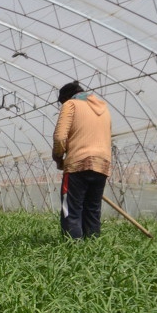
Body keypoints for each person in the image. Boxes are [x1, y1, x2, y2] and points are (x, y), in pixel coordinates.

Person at [52, 81, 113, 239]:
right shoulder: (103, 108)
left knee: (71, 210)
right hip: (102, 164)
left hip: (77, 164)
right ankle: (92, 248)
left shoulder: (71, 104)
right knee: (92, 209)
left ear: (66, 97)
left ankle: (73, 249)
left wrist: (58, 157)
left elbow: (60, 137)